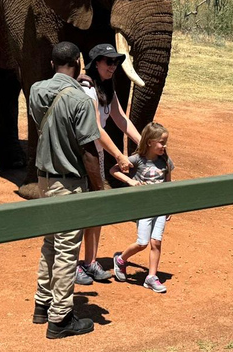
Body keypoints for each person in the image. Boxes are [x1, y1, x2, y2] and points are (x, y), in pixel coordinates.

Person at [28, 41, 104, 339]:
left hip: (44, 179)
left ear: (52, 64)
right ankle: (60, 318)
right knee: (66, 251)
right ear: (79, 61)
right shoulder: (80, 100)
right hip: (69, 182)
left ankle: (42, 304)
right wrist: (98, 188)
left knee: (49, 243)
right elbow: (88, 150)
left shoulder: (36, 90)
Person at [75, 43, 143, 285]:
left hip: (97, 155)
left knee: (97, 208)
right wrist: (119, 155)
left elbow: (120, 118)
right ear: (95, 64)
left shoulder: (106, 88)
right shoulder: (86, 89)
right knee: (84, 210)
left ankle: (90, 262)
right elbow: (95, 129)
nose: (113, 66)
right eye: (108, 61)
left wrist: (142, 142)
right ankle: (76, 265)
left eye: (115, 62)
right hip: (83, 155)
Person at [110, 122, 174, 293]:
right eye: (161, 142)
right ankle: (121, 260)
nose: (164, 146)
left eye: (165, 142)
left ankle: (151, 277)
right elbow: (113, 170)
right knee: (143, 243)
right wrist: (130, 181)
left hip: (160, 207)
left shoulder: (166, 161)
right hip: (144, 207)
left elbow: (168, 184)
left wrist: (169, 207)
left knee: (156, 242)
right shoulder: (137, 159)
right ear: (149, 142)